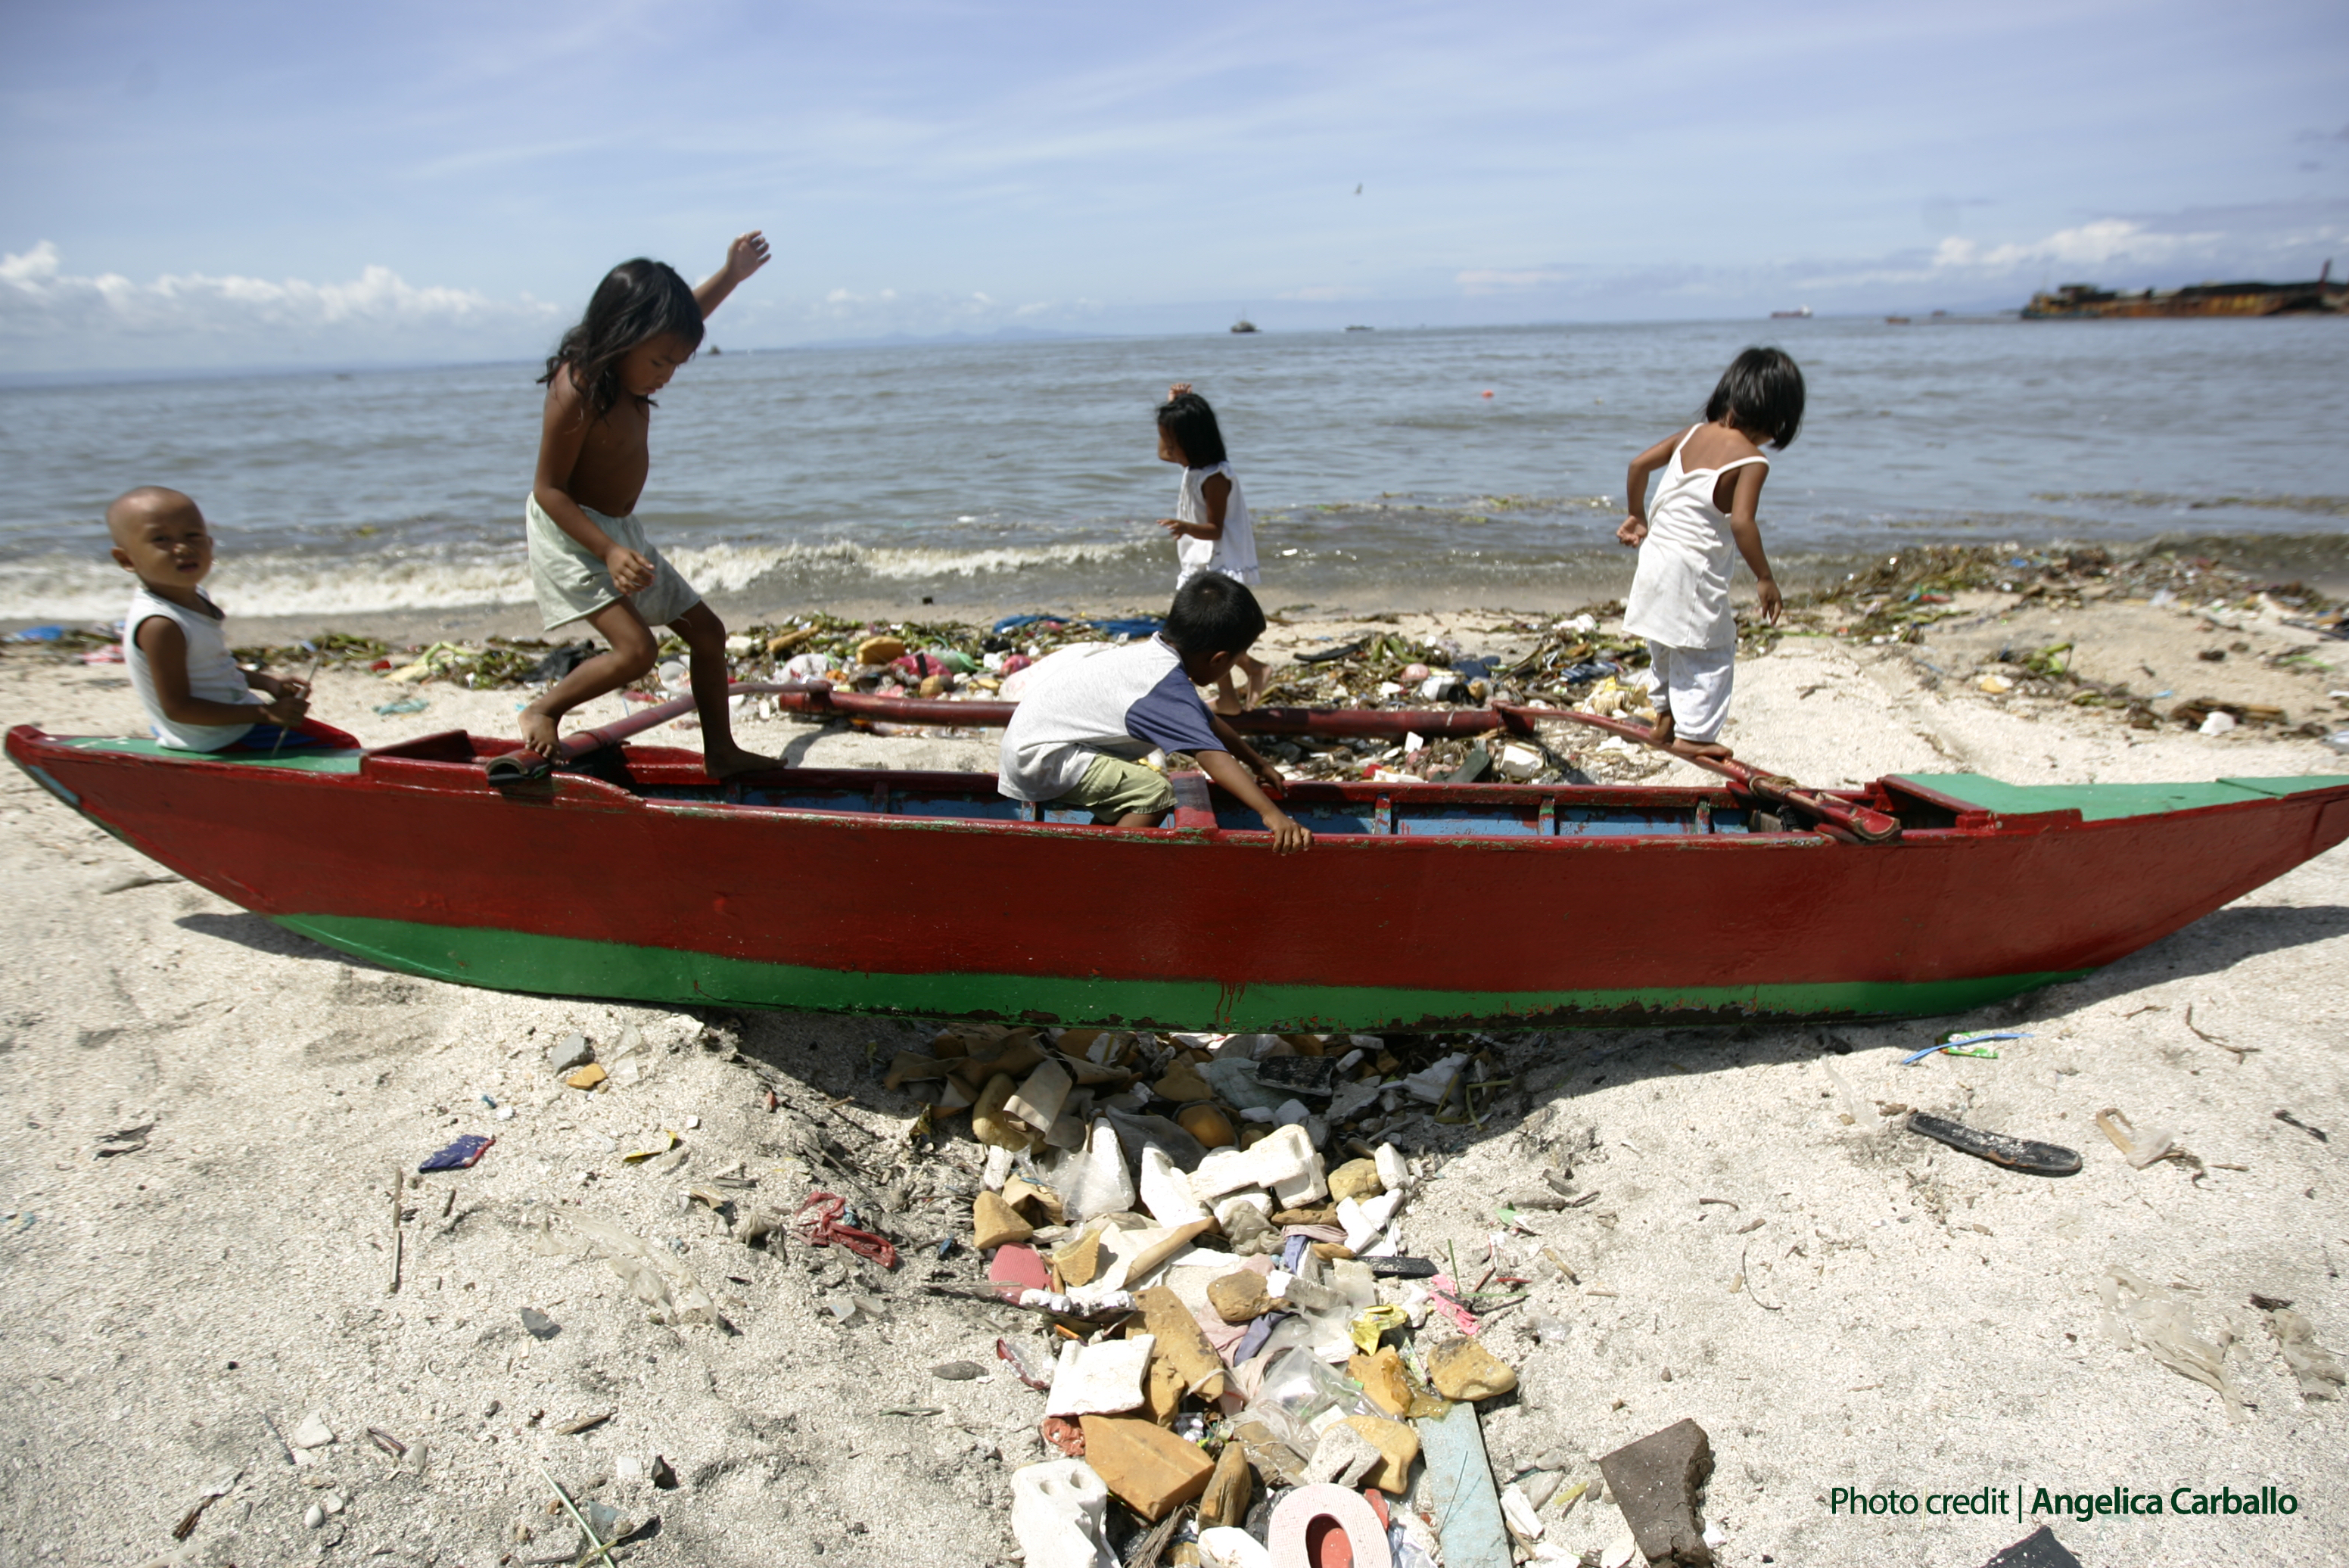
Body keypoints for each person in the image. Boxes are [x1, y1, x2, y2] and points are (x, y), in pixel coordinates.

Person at [518, 234, 774, 778]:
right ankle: (544, 708)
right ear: (621, 336)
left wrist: (730, 275)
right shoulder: (578, 388)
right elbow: (549, 489)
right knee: (636, 651)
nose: (667, 374)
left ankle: (721, 753)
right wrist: (608, 551)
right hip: (575, 536)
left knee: (708, 633)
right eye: (660, 360)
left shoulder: (630, 371)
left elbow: (680, 322)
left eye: (677, 363)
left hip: (619, 534)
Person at [997, 574, 1310, 853]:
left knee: (1142, 785)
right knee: (1154, 793)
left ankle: (1097, 843)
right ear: (1219, 660)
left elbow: (1209, 723)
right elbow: (1211, 755)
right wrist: (1272, 815)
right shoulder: (1162, 685)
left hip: (1037, 746)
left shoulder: (1153, 658)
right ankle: (1102, 866)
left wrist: (1258, 764)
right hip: (1041, 759)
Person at [1615, 347, 1804, 760]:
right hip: (1693, 572)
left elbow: (1637, 466)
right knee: (1712, 647)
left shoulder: (1690, 435)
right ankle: (1695, 735)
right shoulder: (1752, 460)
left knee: (1663, 640)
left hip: (1655, 562)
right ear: (1779, 418)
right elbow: (1741, 523)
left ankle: (1665, 721)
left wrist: (1637, 516)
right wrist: (1765, 578)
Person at [107, 486, 340, 751]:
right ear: (126, 559)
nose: (182, 548)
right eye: (161, 539)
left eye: (193, 535)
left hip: (232, 721)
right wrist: (264, 714)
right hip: (213, 737)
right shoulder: (161, 624)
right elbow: (178, 708)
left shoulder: (195, 597)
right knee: (340, 747)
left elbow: (211, 668)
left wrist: (267, 683)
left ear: (210, 543)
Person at [1153, 383, 1268, 713]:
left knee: (1210, 635)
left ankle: (1252, 674)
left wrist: (1186, 527)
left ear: (1194, 442)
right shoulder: (1193, 466)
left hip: (1220, 558)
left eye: (1176, 444)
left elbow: (1216, 529)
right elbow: (1162, 452)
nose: (1169, 452)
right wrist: (1175, 407)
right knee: (1210, 637)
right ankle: (1236, 692)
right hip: (1201, 557)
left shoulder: (1215, 477)